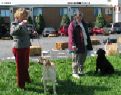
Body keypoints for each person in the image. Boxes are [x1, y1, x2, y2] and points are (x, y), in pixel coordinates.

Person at [10, 8, 36, 89]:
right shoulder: (14, 23)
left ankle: (26, 79)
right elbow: (12, 33)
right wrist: (20, 25)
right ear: (19, 15)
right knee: (20, 67)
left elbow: (26, 34)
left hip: (26, 47)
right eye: (24, 15)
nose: (26, 17)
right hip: (19, 48)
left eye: (26, 15)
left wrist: (32, 34)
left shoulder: (25, 24)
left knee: (26, 65)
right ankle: (21, 85)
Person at [68, 11, 93, 78]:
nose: (79, 18)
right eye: (78, 17)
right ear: (75, 17)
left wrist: (88, 44)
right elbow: (71, 36)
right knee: (75, 59)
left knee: (83, 58)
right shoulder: (72, 24)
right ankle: (74, 72)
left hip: (84, 43)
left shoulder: (84, 24)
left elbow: (86, 34)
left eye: (80, 16)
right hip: (75, 45)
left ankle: (80, 70)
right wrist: (73, 44)